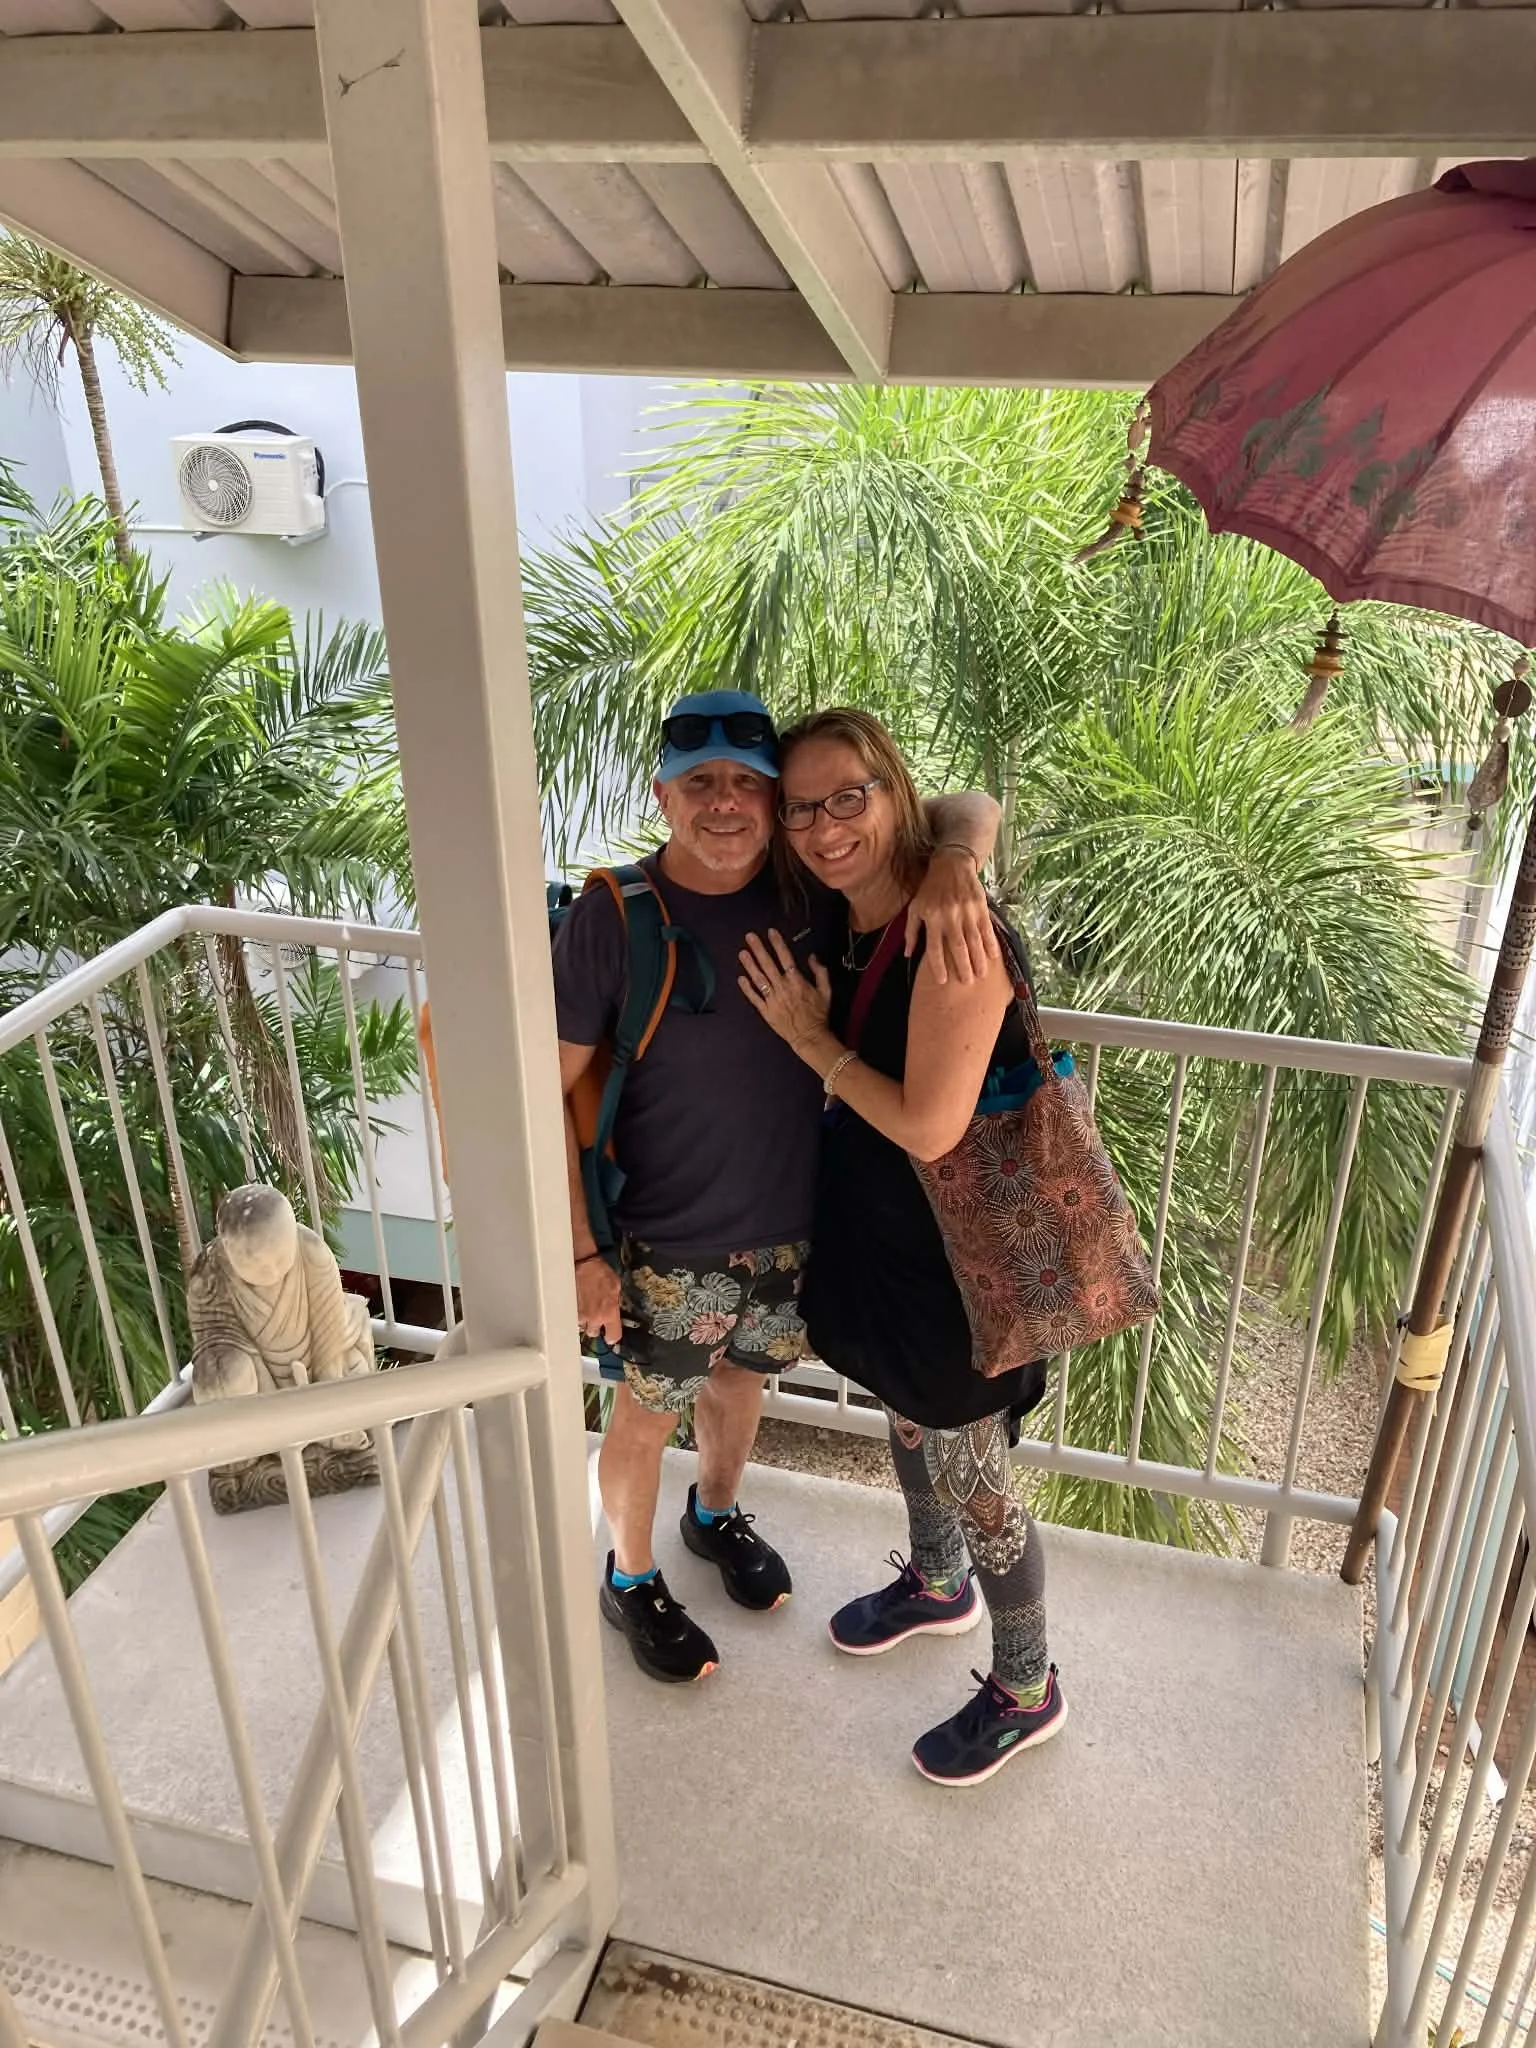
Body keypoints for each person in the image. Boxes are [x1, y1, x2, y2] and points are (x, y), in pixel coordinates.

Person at [553, 689, 1002, 1685]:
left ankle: (713, 1513)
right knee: (641, 1414)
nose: (725, 804)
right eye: (699, 782)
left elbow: (959, 802)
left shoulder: (812, 895)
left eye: (748, 785)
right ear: (664, 795)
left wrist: (957, 860)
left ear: (775, 805)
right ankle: (629, 1577)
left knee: (741, 1381)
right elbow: (546, 1091)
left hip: (792, 1233)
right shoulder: (613, 916)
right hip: (662, 1240)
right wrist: (581, 1251)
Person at [739, 706, 1066, 1787]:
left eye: (849, 797)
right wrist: (958, 849)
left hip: (957, 1268)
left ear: (890, 785)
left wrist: (810, 1043)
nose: (827, 826)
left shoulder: (949, 936)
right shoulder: (864, 905)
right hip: (884, 1240)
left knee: (976, 1470)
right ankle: (937, 1581)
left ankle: (1027, 1684)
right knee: (906, 1410)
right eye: (802, 808)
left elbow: (930, 1123)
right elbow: (971, 808)